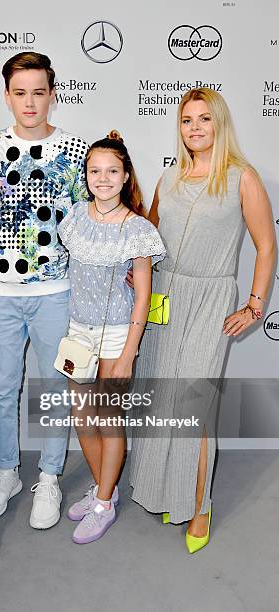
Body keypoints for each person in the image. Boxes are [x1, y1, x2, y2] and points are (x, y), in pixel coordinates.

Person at [130, 88, 276, 553]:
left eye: (204, 120)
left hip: (210, 299)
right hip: (163, 298)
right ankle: (158, 490)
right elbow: (147, 237)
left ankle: (199, 505)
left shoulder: (242, 178)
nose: (194, 128)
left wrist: (254, 305)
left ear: (220, 125)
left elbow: (266, 245)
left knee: (194, 404)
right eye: (186, 120)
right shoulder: (168, 179)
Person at [0, 52, 89, 528]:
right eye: (20, 93)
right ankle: (6, 471)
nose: (29, 102)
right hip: (0, 291)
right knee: (3, 390)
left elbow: (91, 222)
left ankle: (48, 476)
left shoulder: (77, 151)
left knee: (55, 389)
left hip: (55, 291)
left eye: (38, 92)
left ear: (52, 94)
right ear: (7, 96)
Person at [58, 131, 166, 543]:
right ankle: (106, 488)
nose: (102, 179)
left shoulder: (137, 229)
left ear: (125, 177)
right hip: (77, 333)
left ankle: (102, 501)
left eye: (112, 171)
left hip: (117, 333)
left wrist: (128, 353)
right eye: (95, 171)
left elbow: (143, 296)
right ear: (86, 175)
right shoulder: (75, 218)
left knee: (108, 417)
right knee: (82, 416)